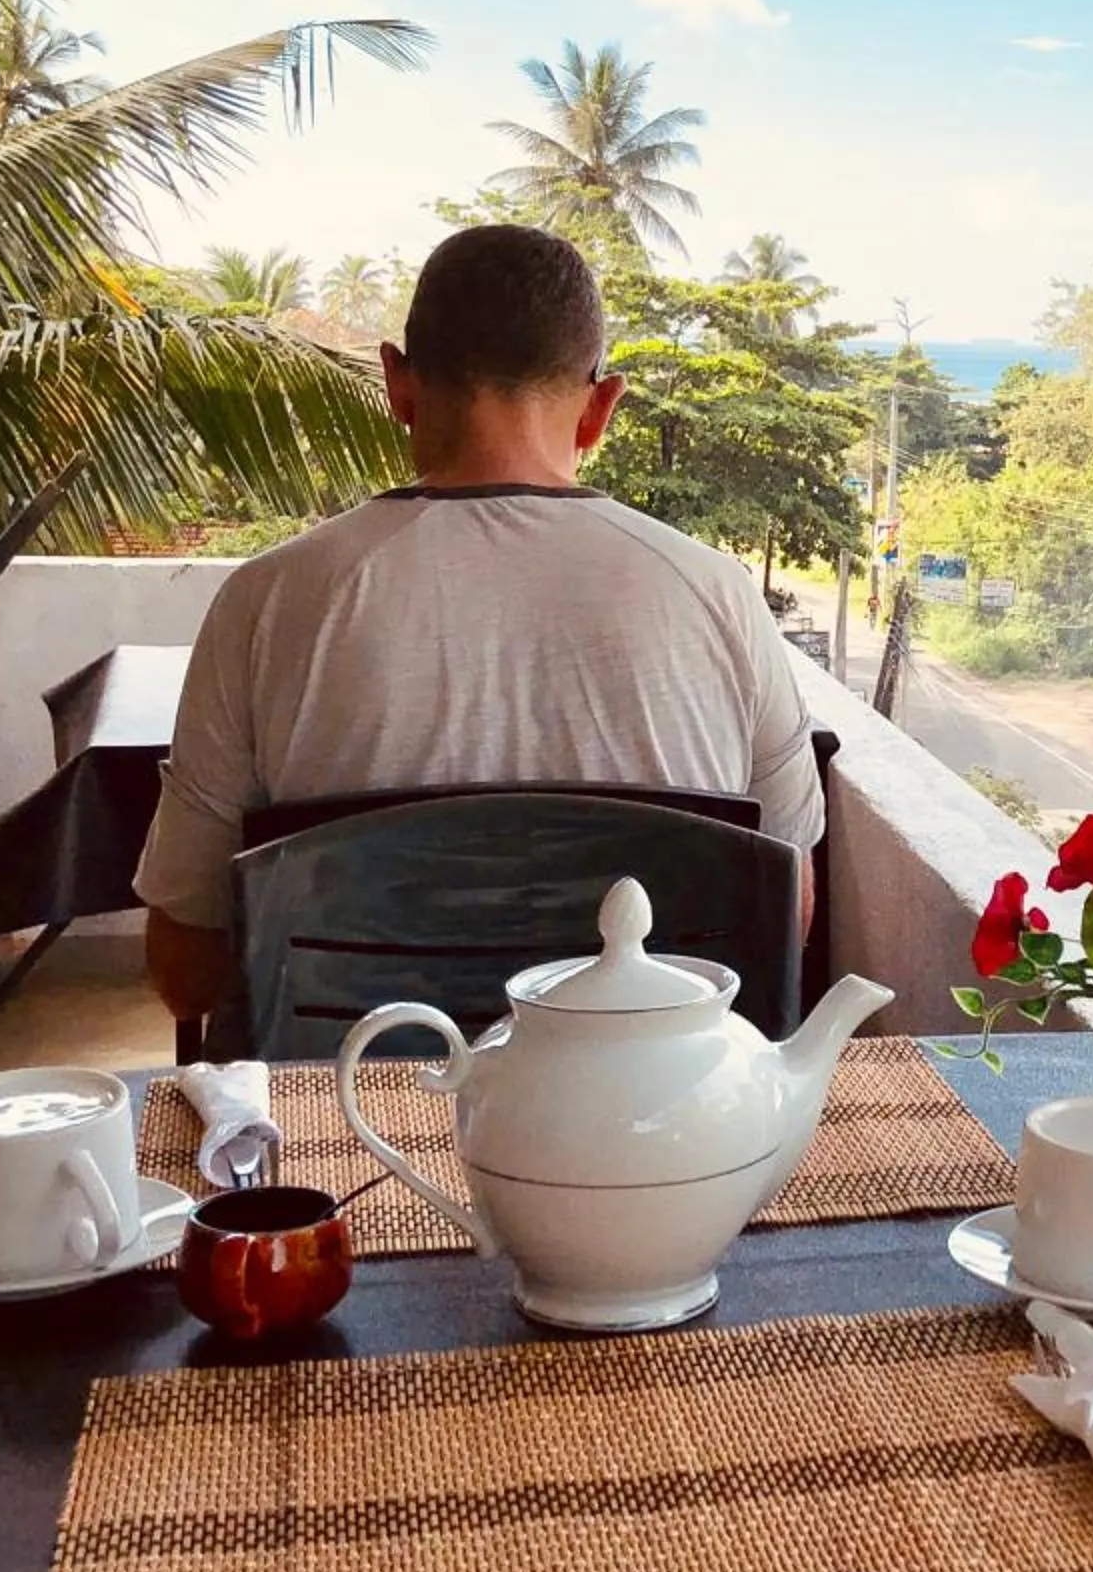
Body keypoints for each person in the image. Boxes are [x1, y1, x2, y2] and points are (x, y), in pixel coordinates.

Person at [135, 222, 826, 1020]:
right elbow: (786, 920)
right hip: (649, 1117)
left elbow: (185, 969)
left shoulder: (266, 600)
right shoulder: (721, 595)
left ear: (397, 384)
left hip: (360, 1115)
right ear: (601, 409)